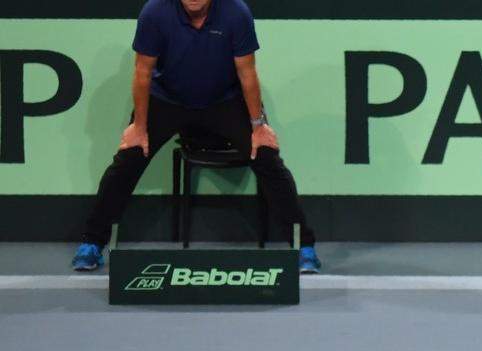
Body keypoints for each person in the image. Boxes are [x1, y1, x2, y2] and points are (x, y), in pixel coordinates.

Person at [70, 0, 321, 273]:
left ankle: (303, 246)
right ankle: (92, 243)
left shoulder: (236, 13)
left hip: (224, 101)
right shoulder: (154, 12)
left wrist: (258, 126)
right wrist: (139, 127)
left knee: (266, 156)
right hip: (168, 100)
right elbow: (142, 72)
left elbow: (246, 72)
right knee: (129, 158)